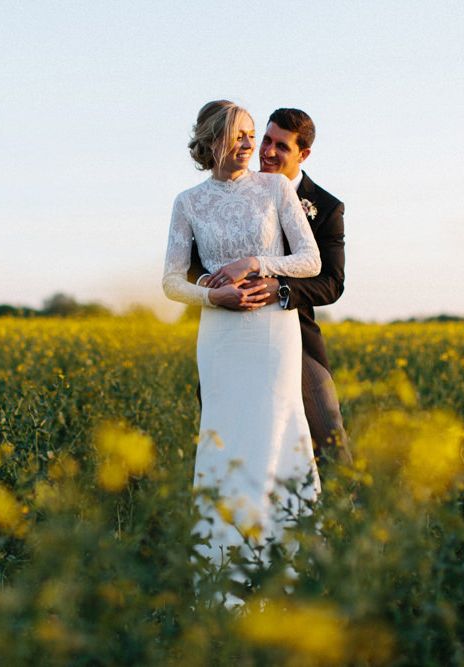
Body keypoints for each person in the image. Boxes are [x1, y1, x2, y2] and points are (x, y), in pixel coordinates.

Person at [162, 100, 321, 576]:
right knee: (224, 440)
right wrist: (215, 298)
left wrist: (257, 263)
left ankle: (287, 565)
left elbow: (310, 261)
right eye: (241, 134)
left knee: (276, 429)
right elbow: (171, 282)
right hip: (220, 334)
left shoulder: (274, 188)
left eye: (254, 134)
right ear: (213, 141)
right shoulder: (188, 202)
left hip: (273, 330)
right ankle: (224, 566)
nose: (252, 144)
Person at [189, 108, 350, 467]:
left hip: (291, 333)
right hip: (229, 332)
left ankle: (344, 517)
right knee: (228, 438)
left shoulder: (325, 207)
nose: (267, 152)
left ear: (303, 154)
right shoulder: (233, 189)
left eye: (281, 146)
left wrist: (278, 287)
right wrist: (209, 286)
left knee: (327, 433)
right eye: (266, 139)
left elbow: (331, 284)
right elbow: (194, 260)